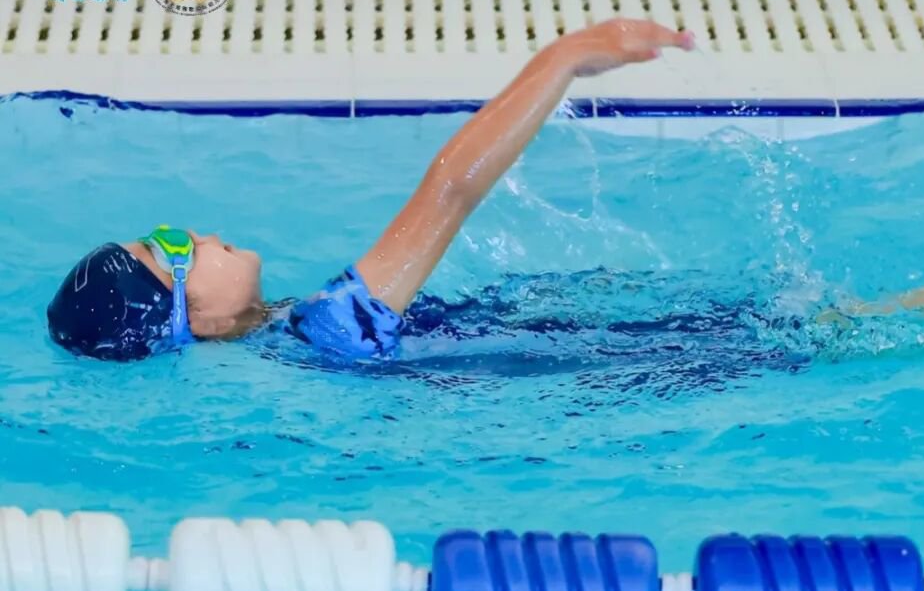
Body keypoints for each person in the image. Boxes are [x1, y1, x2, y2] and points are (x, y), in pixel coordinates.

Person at [46, 19, 697, 361]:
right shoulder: (329, 331)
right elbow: (450, 189)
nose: (191, 233)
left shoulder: (295, 336)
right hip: (630, 362)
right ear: (202, 322)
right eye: (170, 248)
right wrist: (567, 57)